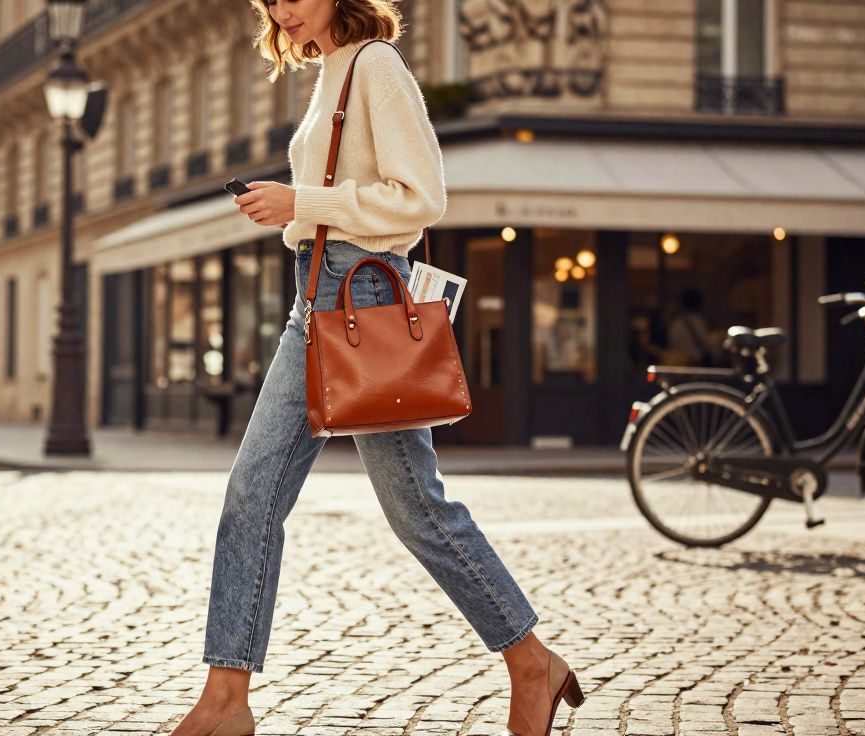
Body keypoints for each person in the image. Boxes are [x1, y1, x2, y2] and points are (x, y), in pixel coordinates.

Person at [171, 3, 586, 736]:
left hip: (360, 293)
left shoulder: (376, 66)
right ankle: (227, 697)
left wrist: (302, 201)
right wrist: (297, 215)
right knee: (253, 492)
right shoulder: (330, 70)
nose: (282, 8)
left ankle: (531, 662)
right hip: (315, 293)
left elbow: (420, 197)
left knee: (415, 508)